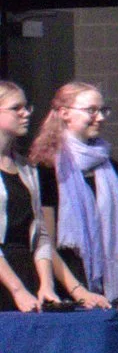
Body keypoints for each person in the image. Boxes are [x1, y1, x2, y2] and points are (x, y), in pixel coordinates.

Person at [33, 81, 118, 306]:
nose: (100, 117)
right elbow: (46, 239)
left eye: (103, 110)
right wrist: (78, 291)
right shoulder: (47, 167)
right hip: (68, 287)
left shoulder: (111, 166)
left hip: (111, 288)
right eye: (91, 110)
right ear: (65, 114)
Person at [0, 81, 62, 313]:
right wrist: (17, 290)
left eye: (27, 107)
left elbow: (41, 234)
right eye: (16, 108)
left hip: (26, 272)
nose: (25, 113)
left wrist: (46, 284)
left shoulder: (27, 168)